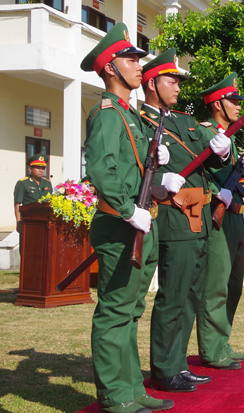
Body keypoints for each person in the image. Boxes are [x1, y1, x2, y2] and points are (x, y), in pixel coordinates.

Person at [81, 23, 174, 413]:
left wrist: (160, 175)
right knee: (115, 311)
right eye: (131, 59)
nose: (139, 66)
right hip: (120, 225)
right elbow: (102, 171)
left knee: (132, 311)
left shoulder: (130, 115)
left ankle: (132, 388)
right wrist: (127, 210)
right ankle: (114, 394)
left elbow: (135, 171)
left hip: (139, 223)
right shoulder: (107, 114)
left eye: (138, 59)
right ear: (109, 69)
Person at [138, 49, 233, 393]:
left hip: (200, 219)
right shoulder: (140, 122)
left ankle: (178, 363)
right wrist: (163, 177)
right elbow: (141, 168)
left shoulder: (183, 121)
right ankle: (163, 368)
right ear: (151, 84)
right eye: (170, 80)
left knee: (192, 296)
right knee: (173, 296)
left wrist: (222, 150)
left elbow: (214, 164)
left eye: (179, 81)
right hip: (174, 218)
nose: (178, 87)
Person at [196, 72, 244, 370]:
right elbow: (201, 173)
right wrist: (219, 192)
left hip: (235, 216)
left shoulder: (231, 136)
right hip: (216, 216)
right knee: (216, 284)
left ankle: (222, 340)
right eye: (233, 101)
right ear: (218, 103)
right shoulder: (206, 133)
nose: (239, 106)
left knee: (234, 283)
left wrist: (243, 169)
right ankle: (211, 347)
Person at [14, 154, 52, 230]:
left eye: (43, 168)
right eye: (38, 168)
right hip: (29, 220)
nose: (41, 170)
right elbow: (17, 204)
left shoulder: (47, 183)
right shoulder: (23, 183)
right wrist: (18, 222)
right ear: (30, 169)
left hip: (45, 221)